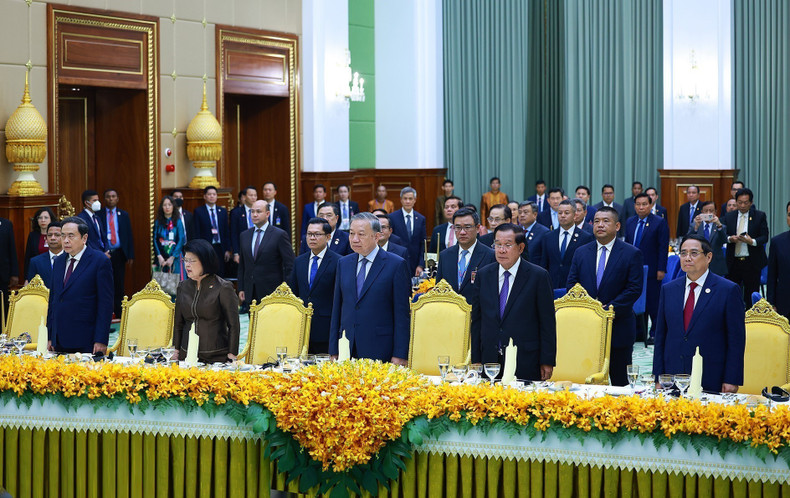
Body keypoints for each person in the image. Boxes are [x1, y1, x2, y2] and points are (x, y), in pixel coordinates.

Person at [652, 234, 745, 393]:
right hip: (673, 377)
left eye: (694, 253)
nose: (687, 258)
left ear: (709, 257)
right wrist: (658, 377)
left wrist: (731, 378)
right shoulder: (669, 290)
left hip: (711, 376)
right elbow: (661, 336)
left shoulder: (727, 290)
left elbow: (736, 340)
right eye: (683, 253)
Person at [567, 207, 644, 386]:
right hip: (586, 328)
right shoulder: (581, 252)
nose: (600, 225)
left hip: (619, 326)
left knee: (620, 382)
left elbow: (634, 289)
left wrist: (605, 311)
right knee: (585, 381)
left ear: (617, 226)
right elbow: (572, 285)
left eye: (605, 221)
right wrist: (589, 310)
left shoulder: (631, 253)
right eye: (596, 221)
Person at [472, 223, 556, 380]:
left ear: (521, 248)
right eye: (497, 244)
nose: (501, 250)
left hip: (525, 359)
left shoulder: (538, 276)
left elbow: (547, 323)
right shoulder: (483, 275)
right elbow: (477, 320)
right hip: (490, 361)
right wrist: (476, 358)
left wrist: (547, 360)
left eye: (508, 245)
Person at [329, 213, 411, 363]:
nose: (354, 239)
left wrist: (400, 354)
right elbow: (337, 308)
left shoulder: (396, 264)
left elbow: (402, 315)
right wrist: (334, 349)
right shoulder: (343, 263)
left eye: (361, 234)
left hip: (380, 348)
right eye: (351, 233)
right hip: (347, 347)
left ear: (376, 236)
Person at [47, 216, 113, 354]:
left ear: (84, 238)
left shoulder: (99, 261)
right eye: (63, 235)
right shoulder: (58, 261)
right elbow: (54, 300)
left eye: (71, 236)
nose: (65, 240)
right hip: (59, 339)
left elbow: (105, 304)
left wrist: (101, 339)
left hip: (86, 339)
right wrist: (50, 335)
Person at [173, 239, 240, 363]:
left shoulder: (223, 287)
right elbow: (178, 323)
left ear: (205, 261)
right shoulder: (183, 287)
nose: (187, 265)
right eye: (185, 260)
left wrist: (232, 354)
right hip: (186, 356)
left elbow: (234, 324)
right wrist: (176, 351)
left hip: (215, 357)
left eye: (192, 261)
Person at [436, 208, 496, 338]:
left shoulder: (490, 255)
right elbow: (439, 290)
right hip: (450, 323)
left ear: (478, 228)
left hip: (479, 323)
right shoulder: (445, 255)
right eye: (457, 227)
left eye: (467, 227)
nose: (462, 232)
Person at [286, 217, 340, 354]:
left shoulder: (339, 261)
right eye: (309, 234)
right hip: (301, 329)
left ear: (328, 237)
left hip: (326, 328)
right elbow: (293, 293)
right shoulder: (299, 261)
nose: (312, 238)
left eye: (317, 234)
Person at [625, 193, 669, 342]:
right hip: (633, 269)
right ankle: (638, 332)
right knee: (634, 300)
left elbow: (663, 247)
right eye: (638, 204)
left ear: (650, 205)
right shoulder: (630, 221)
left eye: (644, 204)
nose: (641, 207)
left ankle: (655, 333)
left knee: (653, 302)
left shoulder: (659, 222)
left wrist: (661, 269)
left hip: (652, 269)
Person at [237, 200, 295, 310]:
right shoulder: (244, 235)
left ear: (267, 214)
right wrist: (241, 288)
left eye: (258, 211)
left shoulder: (279, 234)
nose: (254, 215)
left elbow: (290, 265)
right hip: (251, 291)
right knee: (254, 326)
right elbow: (243, 265)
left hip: (273, 292)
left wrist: (287, 289)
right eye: (252, 211)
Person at [725, 188, 769, 308]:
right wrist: (730, 239)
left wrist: (752, 241)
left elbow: (764, 237)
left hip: (752, 262)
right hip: (733, 262)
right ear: (736, 201)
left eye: (746, 202)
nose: (743, 205)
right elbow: (722, 235)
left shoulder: (759, 216)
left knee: (751, 295)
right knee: (732, 294)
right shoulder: (729, 216)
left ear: (751, 202)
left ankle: (751, 322)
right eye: (740, 202)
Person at [540, 200, 594, 290]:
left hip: (575, 288)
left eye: (567, 213)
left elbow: (586, 267)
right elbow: (544, 264)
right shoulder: (548, 237)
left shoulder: (585, 237)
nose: (563, 215)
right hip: (551, 286)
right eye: (560, 213)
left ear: (574, 214)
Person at [103, 189, 134, 319]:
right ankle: (108, 313)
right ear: (105, 199)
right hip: (104, 254)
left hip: (119, 254)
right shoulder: (99, 215)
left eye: (113, 196)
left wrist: (130, 255)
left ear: (117, 199)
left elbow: (128, 235)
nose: (111, 199)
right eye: (108, 196)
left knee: (119, 284)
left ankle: (120, 314)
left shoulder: (124, 214)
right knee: (105, 283)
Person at [193, 186, 231, 277]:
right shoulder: (199, 211)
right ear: (205, 196)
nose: (212, 196)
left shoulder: (222, 211)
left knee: (220, 273)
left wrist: (228, 249)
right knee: (207, 273)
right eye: (209, 194)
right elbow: (197, 232)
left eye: (214, 194)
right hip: (206, 248)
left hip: (220, 248)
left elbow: (226, 231)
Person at [389, 187, 427, 275]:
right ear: (401, 200)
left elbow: (423, 244)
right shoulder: (392, 217)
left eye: (410, 199)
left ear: (415, 200)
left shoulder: (421, 218)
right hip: (398, 261)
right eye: (405, 198)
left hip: (416, 265)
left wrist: (421, 265)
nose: (408, 201)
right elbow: (391, 241)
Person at [688, 200, 728, 276]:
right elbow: (688, 240)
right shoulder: (694, 225)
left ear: (715, 212)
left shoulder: (720, 226)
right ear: (702, 212)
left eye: (711, 211)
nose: (708, 213)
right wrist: (696, 227)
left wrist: (719, 225)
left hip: (716, 265)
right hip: (698, 263)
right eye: (706, 211)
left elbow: (723, 240)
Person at [153, 196, 187, 279]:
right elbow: (154, 239)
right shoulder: (158, 222)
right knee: (162, 285)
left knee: (177, 284)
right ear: (162, 207)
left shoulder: (178, 221)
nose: (167, 207)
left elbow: (181, 240)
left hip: (175, 257)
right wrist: (159, 256)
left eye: (169, 205)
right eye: (164, 205)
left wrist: (172, 257)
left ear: (173, 207)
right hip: (161, 258)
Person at [767, 201, 790, 320]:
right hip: (784, 304)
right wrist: (771, 303)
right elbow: (772, 275)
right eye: (789, 214)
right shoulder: (777, 242)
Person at [26, 221, 63, 287]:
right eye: (49, 235)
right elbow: (32, 289)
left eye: (57, 235)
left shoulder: (71, 259)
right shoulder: (36, 262)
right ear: (46, 239)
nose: (53, 238)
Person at [24, 207, 57, 279]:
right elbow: (28, 257)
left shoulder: (57, 235)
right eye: (40, 218)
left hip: (54, 269)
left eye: (46, 218)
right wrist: (27, 278)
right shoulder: (33, 235)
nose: (43, 220)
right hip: (37, 272)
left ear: (51, 219)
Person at [230, 186, 257, 266]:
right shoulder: (236, 212)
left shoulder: (260, 211)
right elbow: (233, 233)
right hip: (243, 248)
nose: (253, 198)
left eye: (255, 195)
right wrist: (235, 253)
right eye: (251, 195)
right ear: (244, 197)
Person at [77, 189, 108, 254]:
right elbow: (86, 240)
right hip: (93, 255)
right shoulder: (81, 219)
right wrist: (100, 254)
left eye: (98, 200)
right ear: (86, 203)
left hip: (103, 254)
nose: (98, 203)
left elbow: (102, 236)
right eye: (94, 200)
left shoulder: (97, 217)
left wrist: (106, 250)